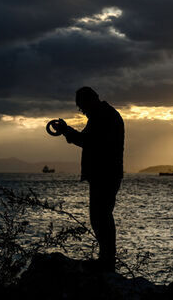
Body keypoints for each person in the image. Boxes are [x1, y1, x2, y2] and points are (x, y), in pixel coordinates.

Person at [52, 87, 124, 272]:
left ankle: (107, 261)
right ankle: (106, 259)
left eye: (81, 106)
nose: (82, 111)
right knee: (100, 217)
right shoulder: (104, 115)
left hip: (104, 174)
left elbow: (87, 141)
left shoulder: (103, 116)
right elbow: (88, 139)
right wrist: (67, 131)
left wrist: (66, 131)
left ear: (90, 101)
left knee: (101, 217)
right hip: (105, 174)